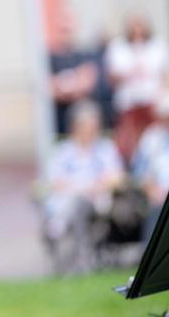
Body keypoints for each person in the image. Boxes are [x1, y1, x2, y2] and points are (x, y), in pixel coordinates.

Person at [41, 100, 125, 273]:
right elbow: (55, 181)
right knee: (76, 202)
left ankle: (59, 225)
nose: (92, 129)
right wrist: (82, 187)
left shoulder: (104, 147)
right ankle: (82, 259)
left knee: (77, 201)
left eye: (94, 125)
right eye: (87, 125)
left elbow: (117, 177)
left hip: (97, 201)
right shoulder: (62, 150)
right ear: (76, 127)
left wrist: (92, 187)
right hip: (72, 199)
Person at [105, 12, 169, 162]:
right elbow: (111, 76)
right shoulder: (118, 46)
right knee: (129, 142)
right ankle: (132, 168)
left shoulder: (157, 44)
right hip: (128, 103)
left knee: (155, 138)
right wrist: (129, 73)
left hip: (152, 102)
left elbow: (164, 74)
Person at [48, 6, 99, 136]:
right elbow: (49, 88)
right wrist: (75, 81)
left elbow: (86, 84)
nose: (66, 29)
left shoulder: (84, 54)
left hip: (82, 121)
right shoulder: (49, 57)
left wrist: (62, 84)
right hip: (59, 121)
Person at [131, 94, 169, 243]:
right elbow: (139, 172)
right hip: (157, 195)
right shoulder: (151, 138)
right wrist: (152, 189)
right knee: (156, 208)